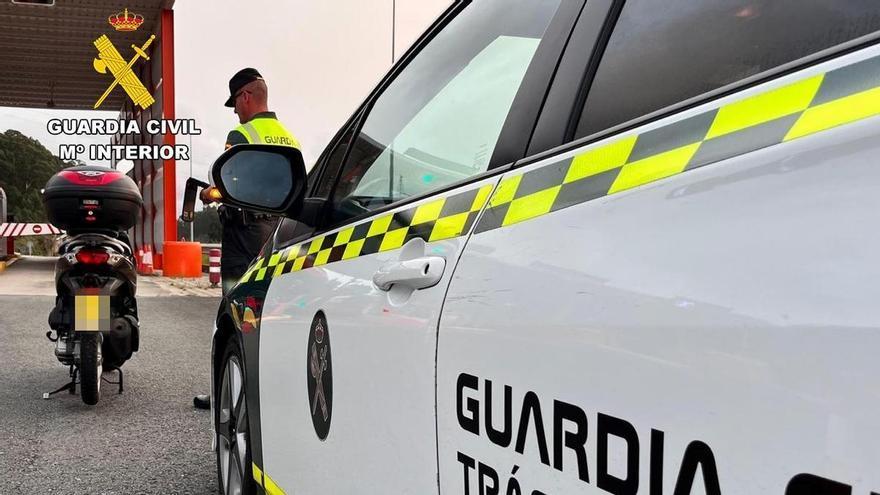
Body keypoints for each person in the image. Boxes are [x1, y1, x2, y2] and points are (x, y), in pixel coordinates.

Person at [193, 68, 300, 410]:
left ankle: (231, 386)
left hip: (243, 235)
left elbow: (230, 187)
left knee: (236, 310)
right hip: (280, 234)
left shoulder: (241, 135)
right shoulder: (289, 138)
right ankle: (275, 386)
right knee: (275, 309)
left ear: (245, 97)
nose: (235, 111)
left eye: (235, 103)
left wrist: (210, 194)